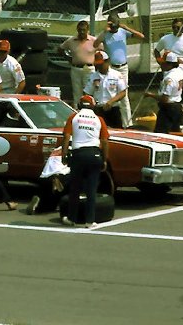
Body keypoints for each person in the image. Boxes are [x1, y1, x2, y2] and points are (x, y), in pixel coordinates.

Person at [61, 95, 109, 229]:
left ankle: (72, 219)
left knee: (75, 188)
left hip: (78, 155)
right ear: (93, 106)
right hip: (95, 155)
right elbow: (105, 141)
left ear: (79, 105)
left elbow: (66, 137)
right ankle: (90, 221)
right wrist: (105, 159)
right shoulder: (99, 120)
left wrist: (64, 155)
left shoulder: (73, 118)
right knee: (91, 189)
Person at [94, 13, 145, 128]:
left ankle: (128, 123)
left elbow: (141, 36)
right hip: (110, 67)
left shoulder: (122, 32)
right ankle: (110, 121)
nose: (114, 28)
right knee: (110, 94)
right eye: (112, 25)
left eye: (115, 25)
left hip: (122, 67)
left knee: (123, 95)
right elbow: (95, 44)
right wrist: (104, 31)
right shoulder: (105, 34)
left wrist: (126, 27)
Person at [58, 21, 103, 107]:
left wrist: (97, 63)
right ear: (77, 30)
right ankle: (77, 112)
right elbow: (60, 49)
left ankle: (90, 111)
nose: (82, 32)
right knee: (76, 93)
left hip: (89, 69)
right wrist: (68, 58)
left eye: (84, 30)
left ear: (87, 30)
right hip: (76, 69)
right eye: (80, 30)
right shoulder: (71, 40)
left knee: (89, 92)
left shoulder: (94, 41)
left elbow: (102, 52)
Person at [84, 51, 127, 128]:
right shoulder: (93, 76)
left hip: (113, 109)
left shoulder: (116, 75)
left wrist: (111, 102)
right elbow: (87, 93)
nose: (99, 66)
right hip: (98, 109)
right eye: (98, 64)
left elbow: (123, 92)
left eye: (101, 64)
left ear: (107, 62)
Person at [144, 52, 183, 134]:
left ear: (169, 64)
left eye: (163, 63)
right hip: (177, 106)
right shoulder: (180, 71)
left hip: (168, 109)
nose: (160, 65)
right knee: (175, 132)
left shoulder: (169, 78)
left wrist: (150, 95)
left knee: (161, 133)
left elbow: (164, 99)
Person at [26, 146, 70, 215]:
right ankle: (65, 207)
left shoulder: (57, 149)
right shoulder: (76, 151)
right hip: (60, 178)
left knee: (47, 203)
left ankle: (38, 204)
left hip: (44, 178)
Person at [154, 18, 183, 108]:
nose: (175, 29)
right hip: (168, 74)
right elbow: (156, 50)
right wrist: (159, 61)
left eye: (178, 27)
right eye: (173, 27)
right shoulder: (165, 39)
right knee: (168, 98)